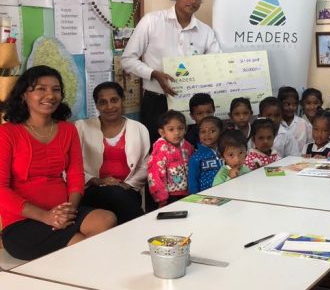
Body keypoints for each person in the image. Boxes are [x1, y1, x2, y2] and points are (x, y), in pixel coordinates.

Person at [0, 66, 116, 260]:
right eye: (41, 89)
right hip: (22, 222)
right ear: (23, 95)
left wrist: (70, 210)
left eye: (56, 89)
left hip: (62, 212)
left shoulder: (67, 130)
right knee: (79, 243)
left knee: (106, 219)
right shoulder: (7, 133)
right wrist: (46, 217)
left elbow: (75, 175)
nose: (50, 95)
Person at [121, 0, 221, 144]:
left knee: (191, 150)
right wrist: (153, 74)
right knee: (158, 151)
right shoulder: (152, 21)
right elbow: (127, 59)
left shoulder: (206, 32)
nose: (193, 0)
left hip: (192, 106)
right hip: (157, 102)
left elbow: (216, 63)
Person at [76, 81, 150, 225]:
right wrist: (96, 180)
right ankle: (143, 227)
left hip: (128, 190)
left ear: (122, 101)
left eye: (114, 100)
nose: (109, 106)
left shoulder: (139, 128)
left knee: (119, 195)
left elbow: (145, 165)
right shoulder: (82, 128)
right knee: (116, 194)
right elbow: (70, 166)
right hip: (92, 190)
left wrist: (127, 185)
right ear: (97, 105)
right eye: (103, 102)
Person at [147, 110, 194, 207]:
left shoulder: (187, 146)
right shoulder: (160, 149)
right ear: (162, 132)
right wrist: (161, 198)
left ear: (185, 129)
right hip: (169, 196)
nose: (177, 133)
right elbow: (155, 175)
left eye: (180, 128)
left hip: (188, 192)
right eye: (171, 129)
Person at [187, 116, 224, 193]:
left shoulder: (226, 152)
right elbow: (192, 181)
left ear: (220, 132)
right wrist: (196, 197)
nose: (207, 134)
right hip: (207, 196)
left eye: (212, 131)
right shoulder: (196, 157)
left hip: (228, 192)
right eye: (203, 131)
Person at [278, 86, 308, 152]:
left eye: (295, 104)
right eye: (287, 104)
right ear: (279, 103)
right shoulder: (276, 124)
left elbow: (309, 144)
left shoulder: (303, 123)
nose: (291, 107)